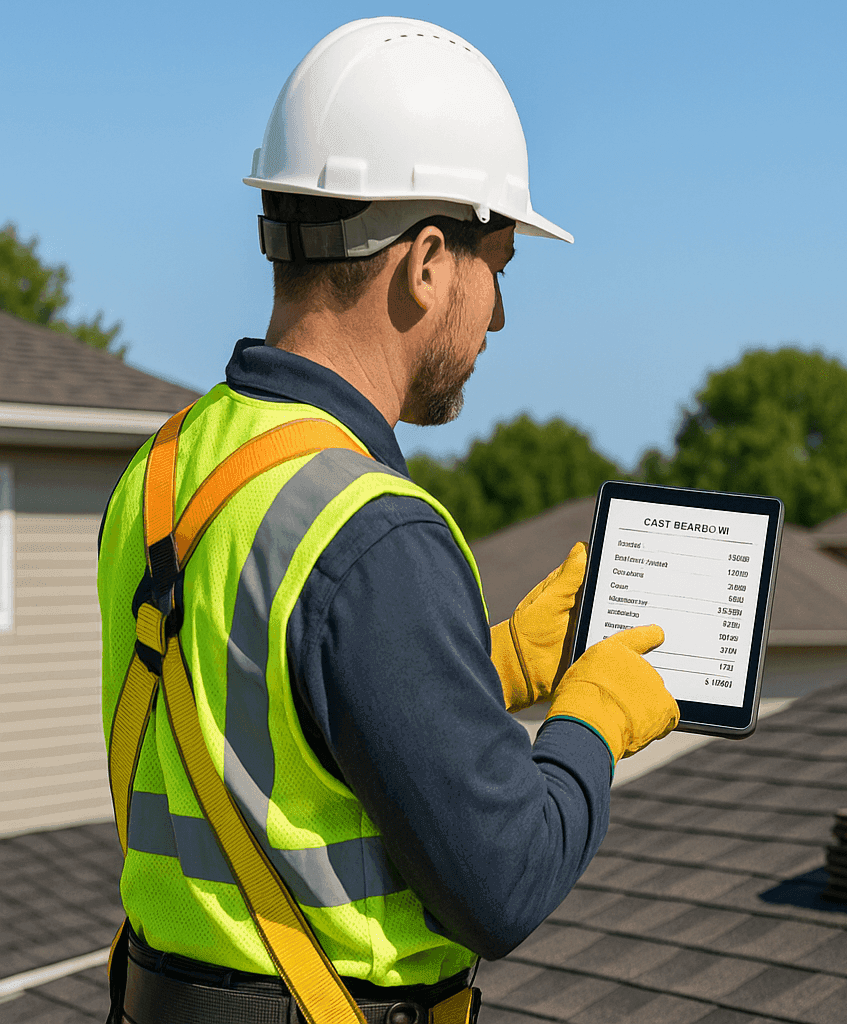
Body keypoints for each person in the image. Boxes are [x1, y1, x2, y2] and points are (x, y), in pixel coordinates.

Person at [97, 18, 678, 1023]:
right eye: (496, 262)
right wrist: (592, 718)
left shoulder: (165, 468)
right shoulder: (375, 532)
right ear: (423, 262)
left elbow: (273, 703)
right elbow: (505, 881)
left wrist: (486, 666)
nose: (497, 314)